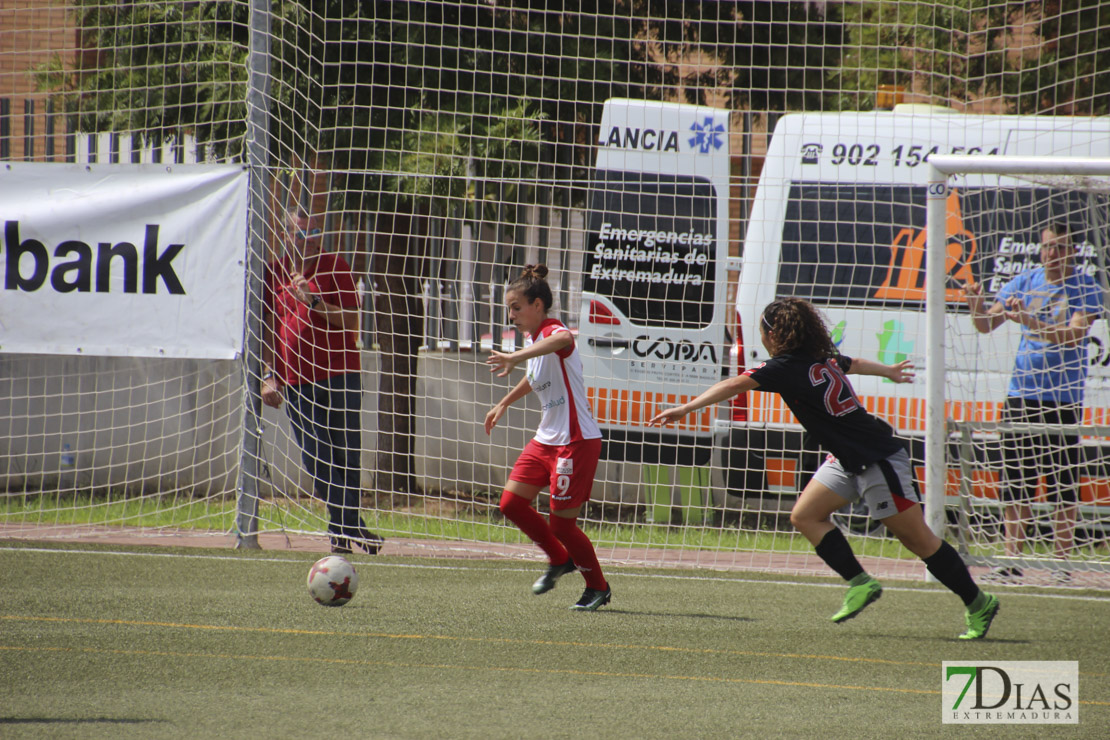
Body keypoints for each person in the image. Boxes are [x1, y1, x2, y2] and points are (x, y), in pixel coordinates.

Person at [648, 297, 1000, 639]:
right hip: (847, 456)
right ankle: (861, 583)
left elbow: (734, 383)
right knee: (805, 516)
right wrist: (889, 372)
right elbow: (856, 362)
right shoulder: (820, 356)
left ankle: (978, 602)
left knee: (917, 539)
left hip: (875, 456)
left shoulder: (784, 367)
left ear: (773, 335)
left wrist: (686, 408)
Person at [964, 222, 1103, 583]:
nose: (1051, 255)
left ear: (1073, 251)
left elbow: (1073, 336)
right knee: (1016, 481)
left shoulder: (1085, 286)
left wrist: (1028, 319)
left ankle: (1061, 565)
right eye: (1046, 247)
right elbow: (985, 324)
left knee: (1062, 483)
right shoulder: (1024, 280)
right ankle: (1009, 560)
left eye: (1059, 247)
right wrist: (975, 301)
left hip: (1062, 399)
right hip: (1021, 394)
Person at [484, 264, 611, 610]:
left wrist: (514, 356)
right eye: (509, 308)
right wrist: (503, 403)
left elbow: (565, 339)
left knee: (562, 524)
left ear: (537, 305)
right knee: (510, 504)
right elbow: (534, 376)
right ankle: (559, 559)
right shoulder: (532, 340)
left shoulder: (552, 331)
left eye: (516, 307)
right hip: (547, 440)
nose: (511, 315)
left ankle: (597, 586)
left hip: (575, 441)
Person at [261, 209, 383, 555]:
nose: (310, 239)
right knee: (317, 459)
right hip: (297, 381)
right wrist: (270, 375)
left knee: (346, 457)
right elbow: (268, 327)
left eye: (315, 231)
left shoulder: (336, 267)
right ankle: (353, 527)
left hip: (341, 373)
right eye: (301, 234)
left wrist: (312, 301)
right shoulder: (275, 272)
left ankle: (341, 534)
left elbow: (350, 319)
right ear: (287, 236)